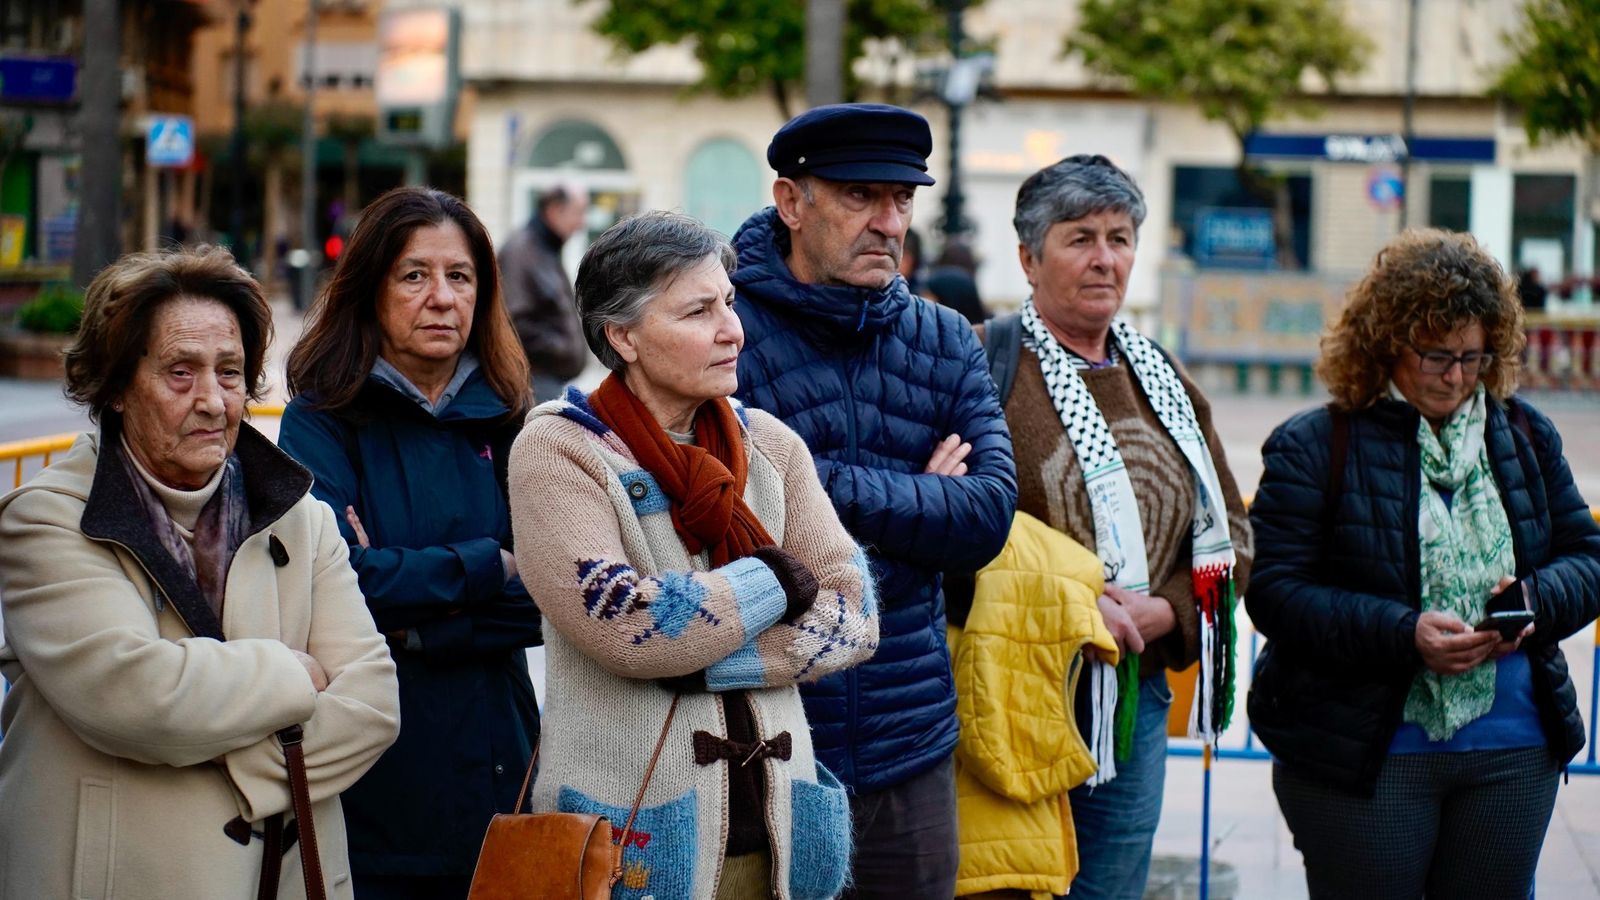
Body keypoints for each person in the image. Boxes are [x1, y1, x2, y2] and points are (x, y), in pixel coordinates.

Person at [0, 247, 401, 898]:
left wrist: (222, 761)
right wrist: (292, 674)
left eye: (231, 372)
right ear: (117, 387)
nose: (213, 401)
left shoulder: (301, 517)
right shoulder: (48, 520)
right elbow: (140, 697)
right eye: (180, 373)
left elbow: (375, 704)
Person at [508, 210, 879, 899]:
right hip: (631, 842)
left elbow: (855, 618)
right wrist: (773, 581)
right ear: (623, 336)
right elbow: (629, 624)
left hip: (780, 839)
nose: (732, 329)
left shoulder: (772, 446)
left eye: (728, 303)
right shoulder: (559, 450)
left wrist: (703, 661)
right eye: (698, 311)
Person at [1247, 229, 1600, 899]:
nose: (1456, 376)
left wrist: (1533, 600)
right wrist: (1403, 633)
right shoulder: (1315, 444)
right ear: (1385, 344)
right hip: (1365, 753)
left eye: (1473, 356)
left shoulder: (1524, 435)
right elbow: (1275, 593)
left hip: (1514, 749)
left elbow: (1588, 559)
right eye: (1436, 355)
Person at [730, 102, 1018, 898]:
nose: (888, 222)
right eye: (860, 195)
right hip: (759, 736)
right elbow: (732, 512)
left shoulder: (946, 339)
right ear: (792, 202)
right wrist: (923, 498)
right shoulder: (721, 331)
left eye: (902, 199)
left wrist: (807, 483)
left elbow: (988, 515)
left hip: (909, 745)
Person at [978, 155, 1253, 899]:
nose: (1105, 258)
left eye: (1120, 238)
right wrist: (1072, 604)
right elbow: (956, 523)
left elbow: (1231, 527)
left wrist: (1171, 609)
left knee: (1110, 889)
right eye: (1080, 238)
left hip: (1134, 695)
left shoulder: (1162, 377)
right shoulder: (979, 366)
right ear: (1029, 259)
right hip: (1015, 689)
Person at [279, 186, 542, 899]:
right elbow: (336, 589)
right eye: (414, 275)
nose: (441, 298)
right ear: (372, 288)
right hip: (381, 774)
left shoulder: (512, 418)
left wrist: (415, 625)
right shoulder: (323, 420)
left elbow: (550, 597)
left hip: (503, 759)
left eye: (460, 276)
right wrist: (492, 563)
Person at [500, 181, 590, 400]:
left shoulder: (544, 248)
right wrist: (562, 348)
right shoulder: (522, 251)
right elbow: (515, 322)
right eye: (578, 212)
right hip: (533, 381)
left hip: (546, 380)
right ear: (554, 210)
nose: (582, 223)